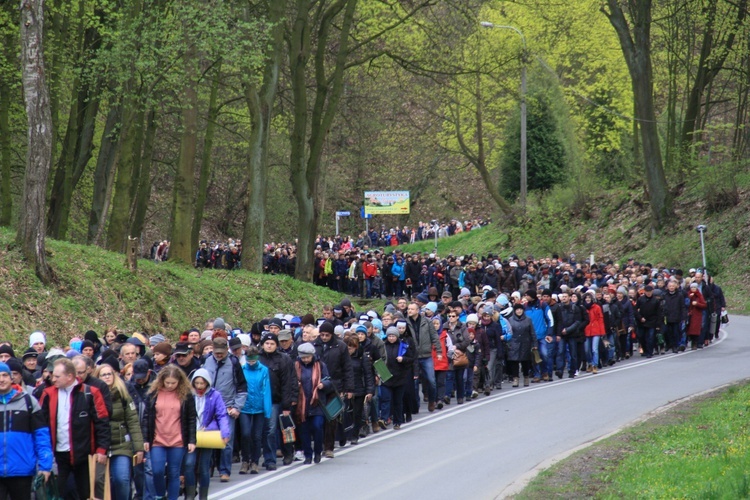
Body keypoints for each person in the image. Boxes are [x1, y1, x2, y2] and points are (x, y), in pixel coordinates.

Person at [40, 358, 110, 500]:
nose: (53, 379)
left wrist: (102, 449)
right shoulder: (48, 394)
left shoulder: (91, 393)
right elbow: (41, 425)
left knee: (87, 494)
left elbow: (102, 422)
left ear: (70, 376)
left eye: (57, 376)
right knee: (57, 493)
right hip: (58, 455)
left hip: (85, 454)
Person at [0, 361, 53, 499]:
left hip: (22, 469)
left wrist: (45, 466)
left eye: (5, 375)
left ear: (12, 377)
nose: (1, 379)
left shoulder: (29, 402)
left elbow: (41, 435)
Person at [144, 365, 197, 500]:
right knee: (157, 471)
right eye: (167, 382)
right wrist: (145, 439)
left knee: (174, 473)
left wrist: (191, 440)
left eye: (173, 383)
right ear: (162, 380)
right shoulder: (153, 394)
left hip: (177, 439)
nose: (170, 385)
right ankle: (160, 495)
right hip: (157, 439)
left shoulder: (186, 395)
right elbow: (147, 418)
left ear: (179, 381)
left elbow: (191, 418)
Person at [93, 363, 144, 500]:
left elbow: (133, 422)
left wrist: (139, 448)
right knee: (101, 483)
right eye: (103, 374)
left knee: (122, 479)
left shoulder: (123, 394)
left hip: (121, 445)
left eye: (109, 374)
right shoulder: (92, 395)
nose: (107, 377)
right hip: (100, 447)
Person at [200, 337, 247, 481]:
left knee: (226, 440)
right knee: (207, 440)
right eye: (216, 352)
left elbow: (242, 387)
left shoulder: (233, 363)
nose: (219, 355)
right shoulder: (206, 361)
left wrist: (237, 407)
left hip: (227, 407)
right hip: (208, 407)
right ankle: (208, 468)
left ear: (227, 350)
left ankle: (225, 470)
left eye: (222, 352)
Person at [185, 368, 231, 500]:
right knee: (189, 464)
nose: (199, 386)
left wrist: (224, 432)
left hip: (207, 435)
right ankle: (190, 494)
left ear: (207, 383)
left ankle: (203, 496)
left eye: (202, 383)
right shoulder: (187, 394)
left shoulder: (215, 395)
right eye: (197, 383)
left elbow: (221, 415)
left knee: (204, 467)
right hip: (191, 436)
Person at [312, 321, 354, 458]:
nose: (324, 337)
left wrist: (349, 388)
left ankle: (329, 446)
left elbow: (347, 368)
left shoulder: (340, 346)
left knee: (331, 417)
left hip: (335, 386)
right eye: (322, 335)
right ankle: (319, 444)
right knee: (318, 418)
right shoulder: (314, 346)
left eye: (327, 335)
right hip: (317, 387)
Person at [258, 333, 298, 471]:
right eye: (267, 343)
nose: (269, 346)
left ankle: (284, 454)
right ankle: (267, 456)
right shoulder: (257, 358)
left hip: (276, 400)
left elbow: (288, 382)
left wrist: (288, 403)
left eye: (272, 344)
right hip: (259, 401)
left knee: (278, 429)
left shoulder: (284, 359)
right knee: (264, 431)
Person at [294, 343, 335, 464]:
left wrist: (323, 384)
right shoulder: (296, 366)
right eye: (303, 357)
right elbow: (291, 380)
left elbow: (328, 379)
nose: (305, 359)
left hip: (317, 402)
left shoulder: (320, 365)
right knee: (304, 430)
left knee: (317, 427)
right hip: (302, 404)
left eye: (307, 357)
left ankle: (317, 451)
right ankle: (307, 455)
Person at [239, 346, 272, 475]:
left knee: (257, 436)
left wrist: (266, 409)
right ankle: (245, 460)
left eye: (253, 361)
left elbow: (266, 390)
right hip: (245, 407)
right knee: (246, 434)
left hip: (258, 407)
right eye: (249, 361)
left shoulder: (264, 370)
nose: (251, 363)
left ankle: (255, 461)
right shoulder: (242, 369)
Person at [405, 302, 440, 412]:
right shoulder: (405, 323)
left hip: (426, 355)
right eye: (408, 309)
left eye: (412, 309)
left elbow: (434, 336)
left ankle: (431, 401)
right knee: (414, 383)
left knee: (431, 380)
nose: (409, 310)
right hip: (413, 356)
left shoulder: (427, 321)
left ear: (417, 310)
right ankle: (416, 405)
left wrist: (439, 351)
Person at [379, 327, 415, 430]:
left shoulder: (403, 346)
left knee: (397, 401)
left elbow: (410, 359)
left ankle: (397, 421)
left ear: (397, 336)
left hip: (400, 377)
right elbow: (379, 359)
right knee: (385, 399)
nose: (391, 338)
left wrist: (403, 359)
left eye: (393, 336)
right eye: (389, 336)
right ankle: (384, 419)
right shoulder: (383, 346)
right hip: (386, 376)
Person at [345, 335, 374, 443]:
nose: (349, 350)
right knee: (346, 413)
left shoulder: (362, 357)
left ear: (356, 347)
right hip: (346, 389)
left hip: (359, 388)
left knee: (357, 413)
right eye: (347, 347)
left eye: (351, 348)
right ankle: (346, 433)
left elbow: (368, 374)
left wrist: (369, 390)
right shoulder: (343, 357)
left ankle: (354, 435)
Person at [506, 303, 536, 386]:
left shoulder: (528, 320)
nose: (519, 311)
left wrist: (534, 343)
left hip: (525, 342)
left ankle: (526, 377)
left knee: (525, 361)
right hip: (513, 343)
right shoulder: (510, 320)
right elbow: (508, 332)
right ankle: (515, 378)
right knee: (514, 362)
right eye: (517, 309)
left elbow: (532, 333)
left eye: (520, 309)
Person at [583, 292, 605, 373]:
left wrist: (602, 331)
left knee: (594, 349)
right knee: (586, 350)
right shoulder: (583, 308)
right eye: (586, 298)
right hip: (586, 331)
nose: (588, 299)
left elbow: (601, 319)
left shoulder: (597, 307)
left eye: (589, 298)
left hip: (596, 330)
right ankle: (590, 363)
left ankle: (595, 365)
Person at [686, 282, 707, 350]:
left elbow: (704, 305)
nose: (693, 289)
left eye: (694, 287)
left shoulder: (699, 295)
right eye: (692, 287)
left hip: (697, 315)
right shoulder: (688, 294)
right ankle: (688, 341)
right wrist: (690, 298)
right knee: (688, 329)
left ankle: (695, 343)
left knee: (695, 330)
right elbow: (685, 303)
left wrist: (697, 304)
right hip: (689, 315)